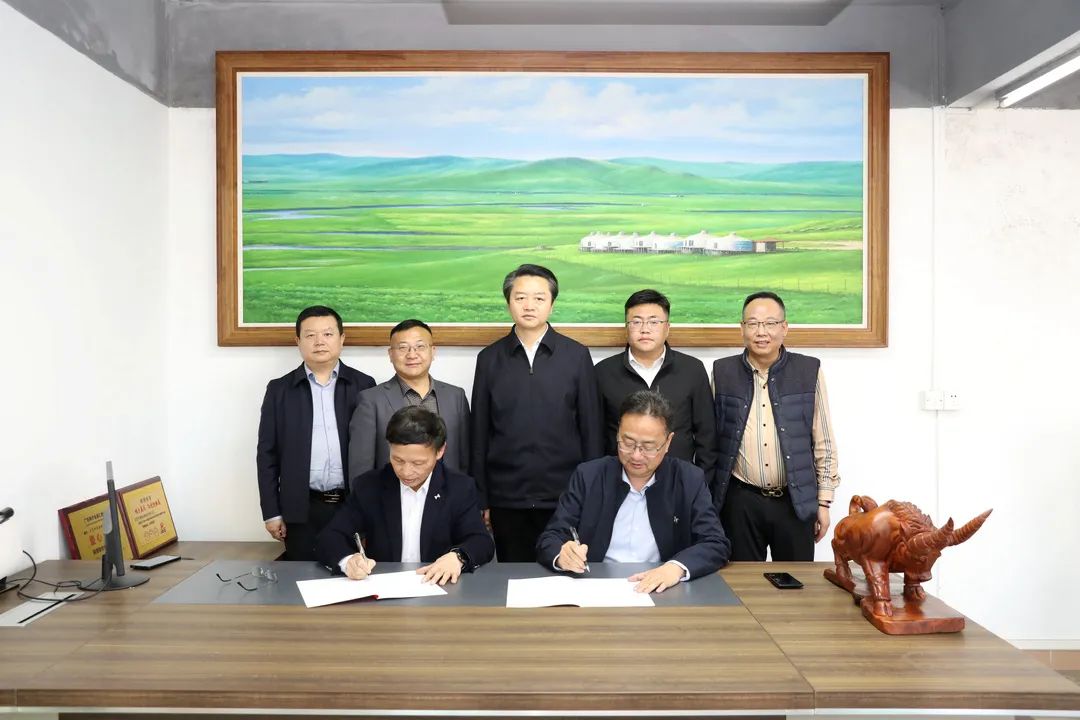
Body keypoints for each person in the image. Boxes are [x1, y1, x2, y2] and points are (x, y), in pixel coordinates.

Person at [471, 263, 604, 562]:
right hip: (507, 498)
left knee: (565, 574)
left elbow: (591, 429)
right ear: (508, 302)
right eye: (520, 298)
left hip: (565, 496)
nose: (529, 305)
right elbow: (479, 432)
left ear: (552, 304)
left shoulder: (576, 355)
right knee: (513, 577)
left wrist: (591, 494)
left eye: (539, 298)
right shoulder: (489, 359)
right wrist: (482, 498)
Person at [536, 390, 730, 593]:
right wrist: (563, 555)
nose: (636, 455)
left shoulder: (688, 479)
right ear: (617, 434)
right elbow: (551, 537)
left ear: (668, 443)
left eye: (648, 446)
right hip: (595, 587)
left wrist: (675, 568)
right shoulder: (589, 475)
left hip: (661, 591)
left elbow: (716, 543)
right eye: (628, 443)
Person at [712, 291, 841, 562]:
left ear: (784, 328)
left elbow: (824, 441)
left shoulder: (808, 371)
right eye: (753, 323)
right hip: (740, 500)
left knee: (796, 582)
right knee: (742, 581)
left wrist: (824, 501)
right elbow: (712, 441)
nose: (761, 332)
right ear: (742, 328)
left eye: (770, 323)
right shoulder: (722, 372)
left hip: (794, 500)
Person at [316, 406, 494, 585]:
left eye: (418, 463)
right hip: (383, 587)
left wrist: (458, 557)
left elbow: (481, 541)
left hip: (439, 587)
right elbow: (330, 536)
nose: (406, 472)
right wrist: (348, 561)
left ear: (440, 451)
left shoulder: (459, 488)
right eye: (398, 460)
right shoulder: (369, 486)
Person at [256, 306, 375, 561]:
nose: (319, 341)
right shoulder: (279, 390)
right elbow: (267, 455)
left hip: (351, 505)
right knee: (302, 575)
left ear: (342, 339)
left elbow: (375, 450)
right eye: (310, 335)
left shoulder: (364, 385)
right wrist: (272, 512)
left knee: (353, 574)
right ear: (298, 341)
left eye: (328, 334)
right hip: (301, 509)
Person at [594, 289, 716, 479]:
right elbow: (595, 435)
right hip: (619, 481)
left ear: (667, 327)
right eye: (636, 322)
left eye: (653, 322)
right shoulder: (603, 372)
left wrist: (701, 485)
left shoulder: (692, 369)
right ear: (626, 328)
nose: (645, 329)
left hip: (679, 481)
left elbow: (707, 436)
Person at [348, 319, 469, 482]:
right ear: (390, 354)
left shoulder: (456, 396)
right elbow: (361, 468)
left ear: (433, 351)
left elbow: (465, 459)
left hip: (447, 495)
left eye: (420, 346)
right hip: (391, 494)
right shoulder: (370, 400)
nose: (412, 355)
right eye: (403, 347)